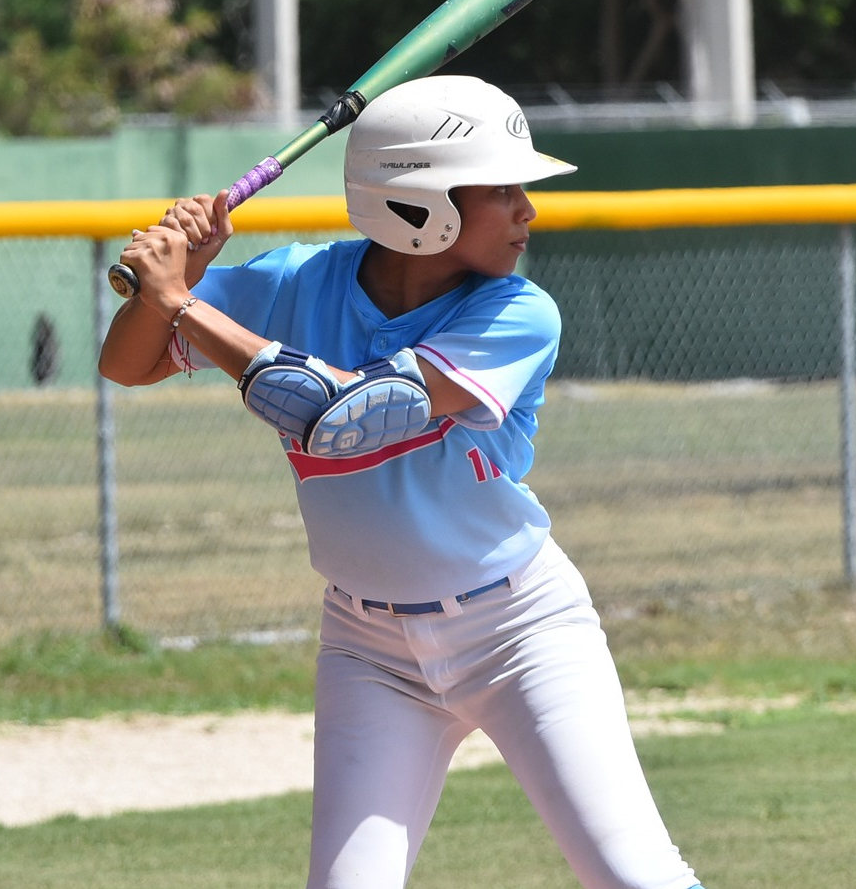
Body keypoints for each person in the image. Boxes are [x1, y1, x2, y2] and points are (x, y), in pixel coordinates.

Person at [99, 75, 702, 889]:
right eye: (502, 190)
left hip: (517, 631)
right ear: (420, 207)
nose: (527, 211)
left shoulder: (517, 311)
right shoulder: (292, 282)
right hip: (368, 647)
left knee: (632, 876)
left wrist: (184, 300)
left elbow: (348, 414)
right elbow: (126, 363)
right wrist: (176, 288)